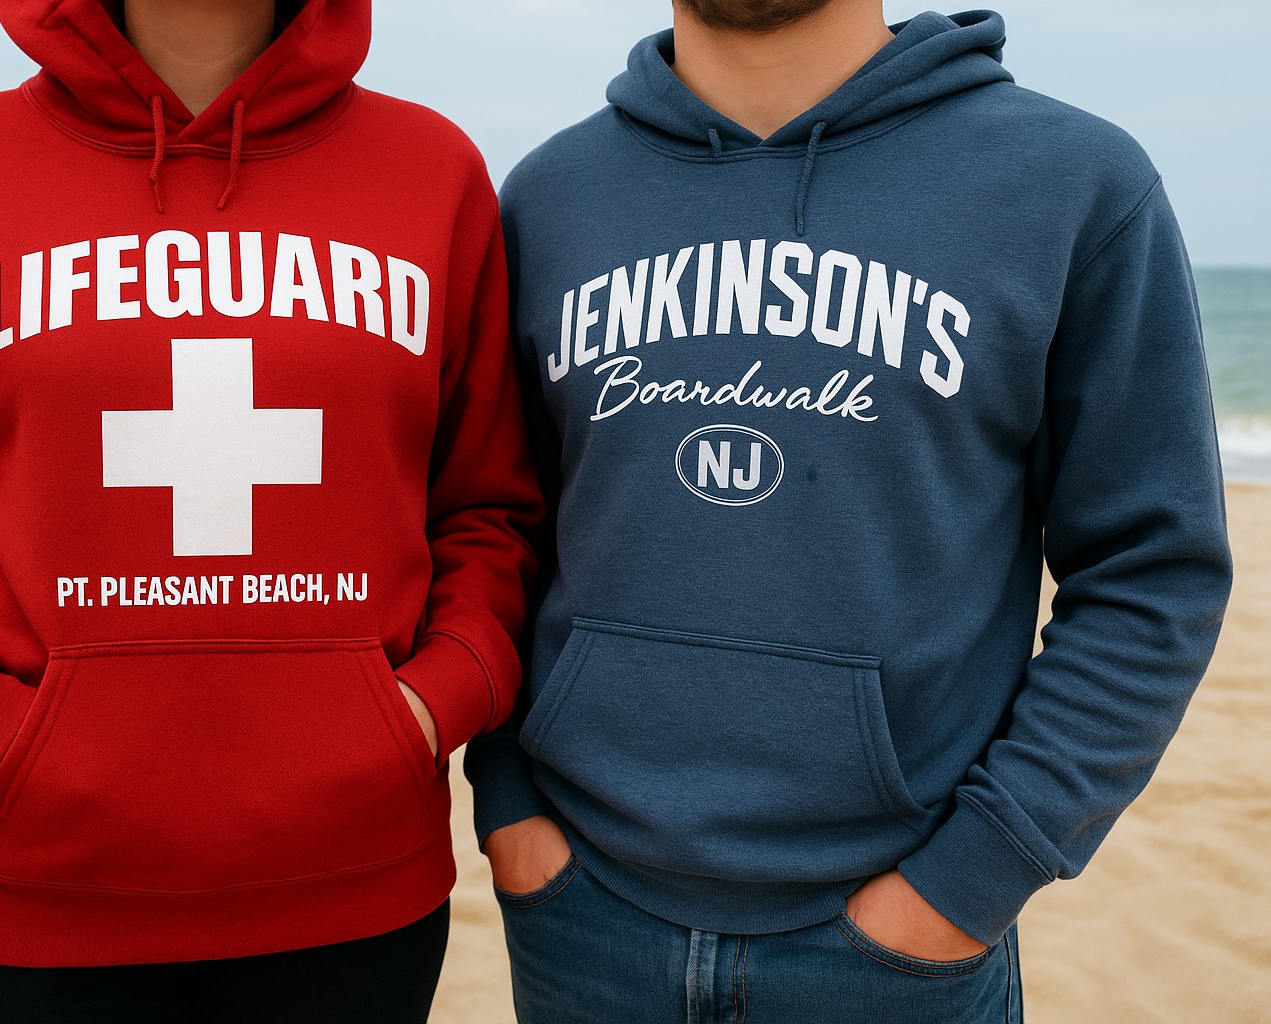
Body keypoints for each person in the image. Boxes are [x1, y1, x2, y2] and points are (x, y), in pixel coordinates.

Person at [0, 0, 541, 1020]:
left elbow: (489, 505)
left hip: (353, 899)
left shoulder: (432, 171)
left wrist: (430, 703)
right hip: (21, 902)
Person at [465, 1, 1233, 1020]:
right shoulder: (552, 196)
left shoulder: (1072, 184)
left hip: (895, 945)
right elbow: (500, 528)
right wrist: (509, 804)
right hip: (581, 916)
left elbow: (1152, 568)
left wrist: (969, 881)